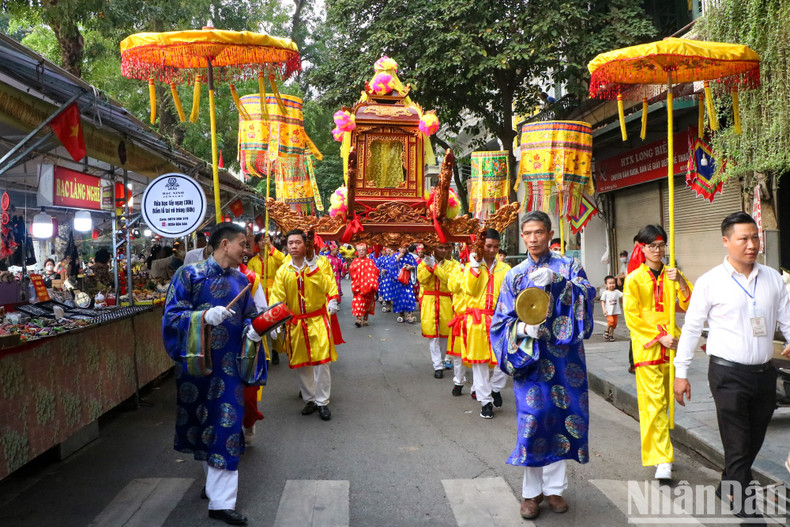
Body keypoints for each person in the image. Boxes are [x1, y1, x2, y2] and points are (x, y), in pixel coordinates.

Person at [674, 212, 790, 519]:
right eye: (744, 238)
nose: (752, 245)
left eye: (755, 237)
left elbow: (786, 317)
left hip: (765, 374)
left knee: (754, 439)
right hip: (728, 374)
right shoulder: (710, 282)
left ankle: (728, 481)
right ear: (727, 241)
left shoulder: (773, 279)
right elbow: (691, 328)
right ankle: (745, 508)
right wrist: (681, 373)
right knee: (738, 442)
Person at [490, 211, 596, 520]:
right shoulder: (514, 275)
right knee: (534, 420)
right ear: (522, 237)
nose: (533, 238)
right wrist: (522, 330)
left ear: (549, 234)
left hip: (565, 361)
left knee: (562, 417)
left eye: (538, 232)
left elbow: (588, 295)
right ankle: (530, 494)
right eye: (527, 233)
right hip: (531, 360)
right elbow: (501, 321)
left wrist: (560, 282)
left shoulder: (569, 266)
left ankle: (554, 489)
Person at [162, 223, 264, 526]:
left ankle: (221, 501)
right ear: (224, 245)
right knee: (200, 425)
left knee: (227, 426)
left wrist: (260, 329)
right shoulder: (188, 275)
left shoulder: (242, 281)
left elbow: (250, 320)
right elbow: (172, 316)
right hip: (196, 367)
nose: (246, 250)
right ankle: (213, 485)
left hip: (229, 369)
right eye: (242, 244)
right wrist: (203, 316)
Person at [623, 224, 692, 481]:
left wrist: (682, 282)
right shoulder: (634, 279)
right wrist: (657, 337)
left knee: (666, 403)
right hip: (649, 348)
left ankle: (659, 450)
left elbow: (689, 304)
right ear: (642, 247)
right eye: (652, 246)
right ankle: (663, 458)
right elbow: (632, 317)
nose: (657, 250)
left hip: (673, 346)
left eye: (661, 245)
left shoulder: (672, 274)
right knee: (653, 404)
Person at [270, 229, 339, 421]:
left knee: (322, 362)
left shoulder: (320, 264)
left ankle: (323, 402)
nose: (293, 246)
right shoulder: (284, 270)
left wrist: (332, 300)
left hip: (318, 319)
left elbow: (329, 285)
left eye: (297, 242)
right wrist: (275, 322)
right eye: (290, 243)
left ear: (305, 244)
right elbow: (277, 297)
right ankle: (310, 399)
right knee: (302, 363)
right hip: (296, 323)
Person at [463, 228, 511, 419]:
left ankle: (496, 388)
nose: (492, 250)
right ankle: (485, 402)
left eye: (496, 247)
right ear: (481, 246)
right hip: (477, 320)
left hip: (500, 319)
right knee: (479, 363)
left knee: (504, 360)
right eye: (488, 246)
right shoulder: (470, 267)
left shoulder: (505, 269)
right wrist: (474, 267)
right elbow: (469, 291)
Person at [417, 243, 459, 379]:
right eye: (440, 248)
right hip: (429, 300)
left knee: (445, 334)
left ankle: (441, 360)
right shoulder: (423, 262)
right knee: (433, 335)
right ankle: (437, 365)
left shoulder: (454, 265)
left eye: (446, 248)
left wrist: (433, 267)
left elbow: (448, 280)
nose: (444, 251)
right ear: (434, 249)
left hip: (446, 300)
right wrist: (429, 266)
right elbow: (422, 280)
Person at [246, 234, 286, 364]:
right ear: (257, 244)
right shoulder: (253, 262)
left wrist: (271, 246)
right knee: (261, 324)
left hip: (274, 293)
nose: (263, 242)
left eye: (265, 240)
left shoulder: (274, 257)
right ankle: (265, 355)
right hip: (259, 295)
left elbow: (285, 261)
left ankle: (276, 351)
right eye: (260, 241)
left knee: (276, 325)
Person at [349, 243, 379, 327]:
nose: (361, 252)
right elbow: (351, 270)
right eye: (359, 251)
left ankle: (365, 319)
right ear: (357, 252)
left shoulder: (370, 261)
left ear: (366, 251)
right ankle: (358, 319)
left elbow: (375, 271)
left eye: (363, 250)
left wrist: (371, 280)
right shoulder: (355, 261)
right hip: (358, 286)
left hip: (368, 286)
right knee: (358, 301)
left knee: (367, 302)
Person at [390, 244, 418, 323]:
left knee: (410, 297)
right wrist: (398, 258)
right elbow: (391, 267)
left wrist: (411, 267)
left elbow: (416, 266)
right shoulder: (394, 256)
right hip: (398, 281)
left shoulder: (410, 257)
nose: (403, 250)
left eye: (404, 248)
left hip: (408, 281)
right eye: (401, 248)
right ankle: (401, 315)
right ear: (398, 248)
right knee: (399, 298)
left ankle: (410, 316)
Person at [600, 275, 623, 341]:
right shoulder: (605, 293)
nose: (612, 285)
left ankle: (611, 335)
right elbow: (602, 301)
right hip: (608, 311)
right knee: (611, 321)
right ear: (606, 284)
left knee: (614, 325)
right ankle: (606, 331)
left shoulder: (617, 292)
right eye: (610, 283)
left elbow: (624, 295)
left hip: (615, 311)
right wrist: (604, 309)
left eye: (613, 283)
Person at [376, 247, 396, 312]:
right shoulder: (383, 259)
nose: (389, 250)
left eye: (390, 248)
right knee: (387, 292)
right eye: (387, 248)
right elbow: (377, 267)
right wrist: (381, 270)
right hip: (386, 277)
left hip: (395, 277)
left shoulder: (397, 257)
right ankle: (388, 305)